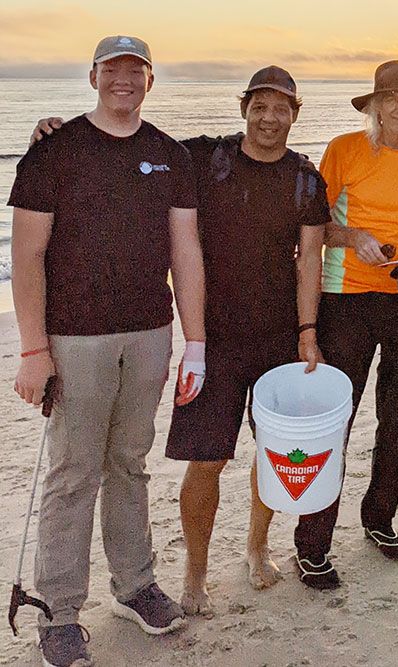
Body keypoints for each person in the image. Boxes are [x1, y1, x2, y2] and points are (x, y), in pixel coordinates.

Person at [30, 66, 330, 612]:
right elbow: (127, 143)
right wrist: (58, 136)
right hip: (211, 339)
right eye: (260, 106)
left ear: (295, 115)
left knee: (272, 453)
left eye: (281, 108)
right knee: (207, 460)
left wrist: (307, 332)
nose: (269, 118)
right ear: (244, 109)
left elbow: (311, 257)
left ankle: (257, 548)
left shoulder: (306, 180)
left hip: (279, 339)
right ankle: (195, 573)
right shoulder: (203, 158)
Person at [9, 35, 206, 666]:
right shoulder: (53, 151)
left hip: (149, 333)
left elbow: (186, 251)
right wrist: (33, 350)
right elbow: (27, 257)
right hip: (74, 338)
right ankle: (59, 612)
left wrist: (195, 343)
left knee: (129, 462)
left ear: (150, 80)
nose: (124, 79)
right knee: (73, 472)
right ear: (93, 76)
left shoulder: (170, 155)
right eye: (113, 69)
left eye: (136, 70)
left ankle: (135, 586)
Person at [291, 60, 398, 588]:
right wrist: (354, 236)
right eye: (392, 99)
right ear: (376, 106)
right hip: (346, 299)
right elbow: (314, 225)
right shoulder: (344, 150)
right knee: (336, 421)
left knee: (396, 421)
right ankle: (312, 544)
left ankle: (380, 520)